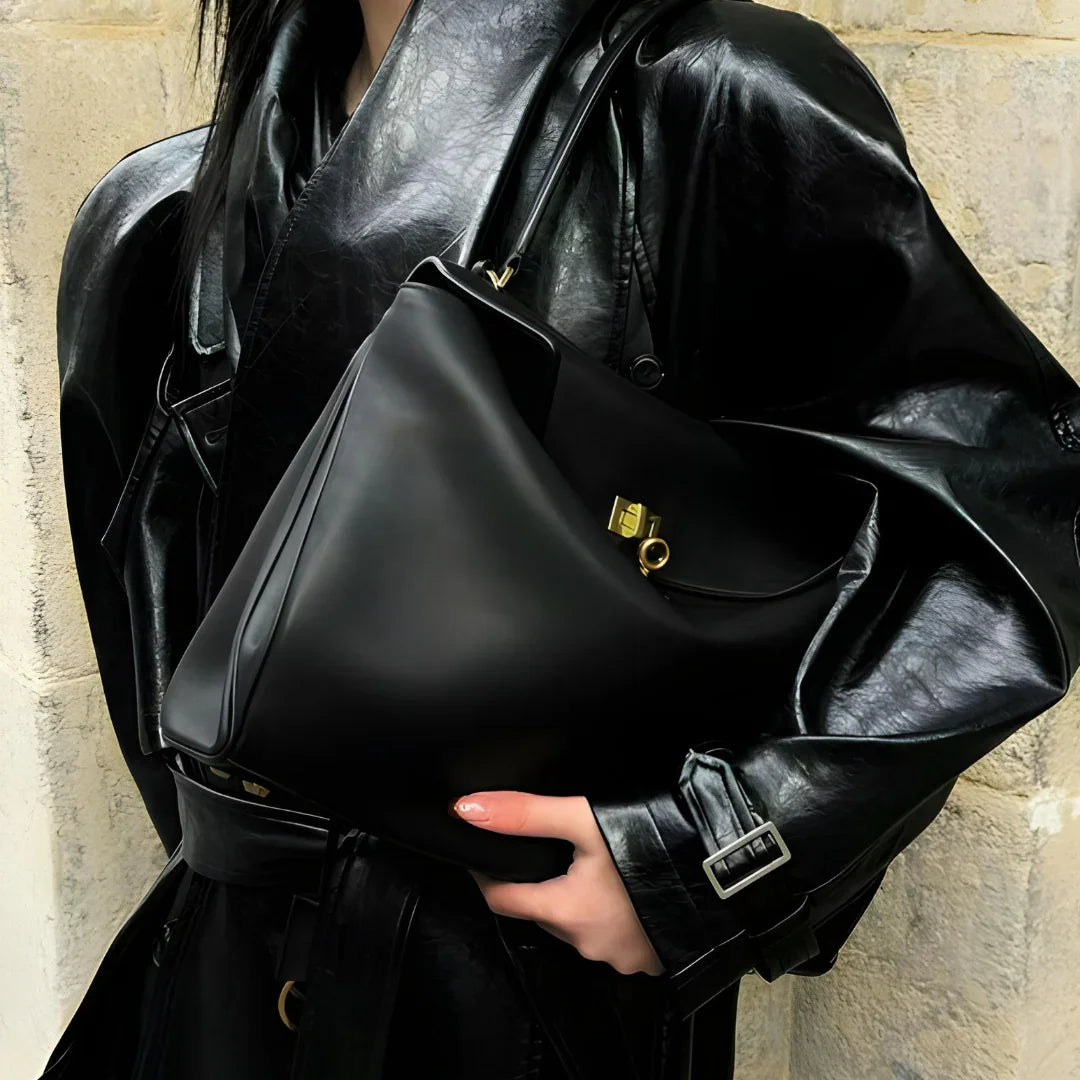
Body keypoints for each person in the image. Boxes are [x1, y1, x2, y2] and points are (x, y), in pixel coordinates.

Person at [44, 0, 1080, 1077]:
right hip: (215, 978)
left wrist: (714, 852)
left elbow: (1013, 504)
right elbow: (153, 652)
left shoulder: (715, 95)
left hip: (530, 998)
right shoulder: (160, 216)